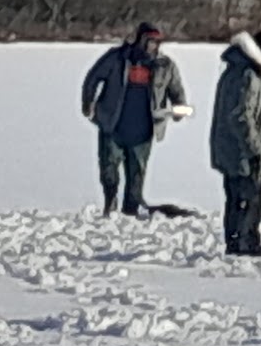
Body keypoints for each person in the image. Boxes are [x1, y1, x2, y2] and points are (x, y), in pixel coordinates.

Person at [80, 21, 189, 217]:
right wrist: (88, 103)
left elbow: (177, 92)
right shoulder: (117, 58)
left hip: (143, 131)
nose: (153, 46)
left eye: (157, 42)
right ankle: (110, 203)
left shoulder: (166, 66)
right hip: (112, 125)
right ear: (140, 39)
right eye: (149, 40)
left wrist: (180, 109)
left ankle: (130, 211)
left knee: (136, 174)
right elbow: (93, 77)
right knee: (109, 170)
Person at [209, 30, 261, 257]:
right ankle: (244, 242)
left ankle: (238, 240)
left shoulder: (237, 71)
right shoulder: (247, 75)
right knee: (249, 196)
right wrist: (255, 149)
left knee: (239, 196)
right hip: (242, 152)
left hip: (234, 150)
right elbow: (241, 116)